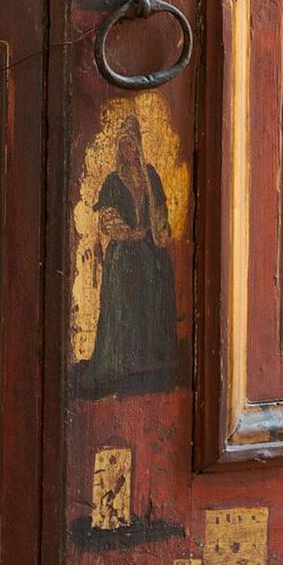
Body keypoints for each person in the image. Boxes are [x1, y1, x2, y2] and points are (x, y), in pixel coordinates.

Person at [78, 114, 178, 396]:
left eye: (132, 146)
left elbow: (161, 210)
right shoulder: (113, 180)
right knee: (124, 307)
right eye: (123, 146)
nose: (128, 152)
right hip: (123, 254)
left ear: (139, 147)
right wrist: (126, 232)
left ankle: (148, 365)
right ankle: (119, 366)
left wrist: (157, 232)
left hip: (148, 251)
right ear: (118, 149)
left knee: (149, 301)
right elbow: (106, 216)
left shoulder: (150, 176)